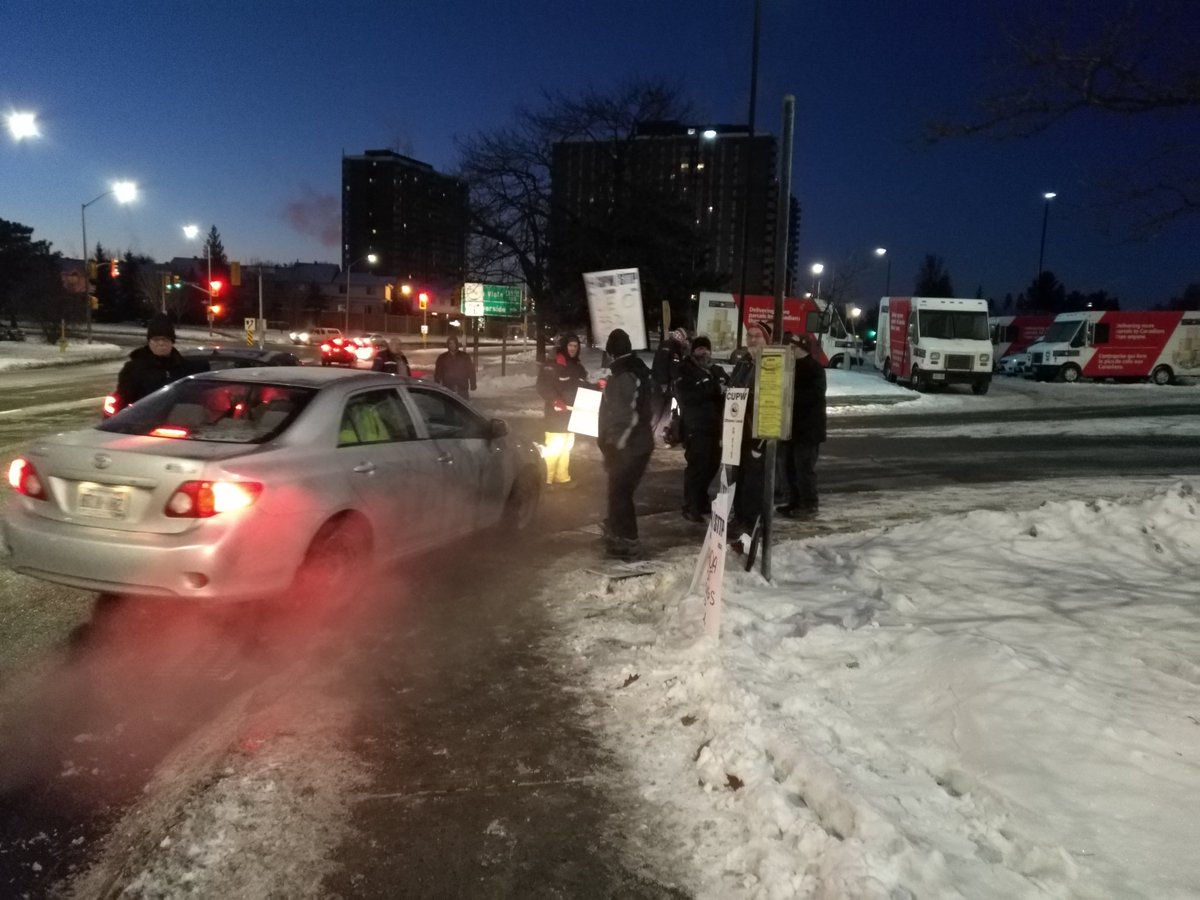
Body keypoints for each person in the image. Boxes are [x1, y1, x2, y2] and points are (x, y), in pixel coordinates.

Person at [597, 328, 654, 560]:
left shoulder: (624, 375)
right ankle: (617, 535)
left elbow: (627, 415)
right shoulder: (633, 371)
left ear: (611, 353)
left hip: (630, 446)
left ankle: (629, 542)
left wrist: (615, 445)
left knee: (621, 493)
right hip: (634, 444)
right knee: (617, 492)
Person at [674, 335, 728, 522]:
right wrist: (715, 389)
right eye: (700, 349)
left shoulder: (716, 370)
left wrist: (719, 389)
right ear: (693, 351)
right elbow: (687, 396)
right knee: (697, 467)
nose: (704, 352)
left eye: (707, 349)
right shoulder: (684, 370)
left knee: (712, 465)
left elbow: (729, 388)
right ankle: (690, 506)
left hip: (716, 427)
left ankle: (701, 499)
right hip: (696, 427)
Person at [113, 313, 209, 412]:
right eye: (156, 339)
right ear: (149, 341)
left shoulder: (187, 369)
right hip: (143, 423)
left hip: (179, 422)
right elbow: (122, 404)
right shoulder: (133, 369)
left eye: (165, 339)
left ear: (172, 341)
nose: (161, 343)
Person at [779, 333, 828, 517]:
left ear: (797, 347)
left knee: (803, 468)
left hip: (808, 430)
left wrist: (789, 396)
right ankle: (795, 501)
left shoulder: (814, 368)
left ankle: (809, 504)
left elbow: (814, 396)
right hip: (791, 427)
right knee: (789, 468)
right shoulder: (790, 366)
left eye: (789, 346)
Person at [729, 321, 770, 538]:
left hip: (757, 432)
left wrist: (762, 437)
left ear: (767, 340)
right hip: (738, 430)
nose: (752, 340)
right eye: (749, 336)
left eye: (757, 336)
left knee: (754, 479)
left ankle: (752, 521)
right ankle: (740, 516)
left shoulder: (771, 364)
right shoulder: (743, 363)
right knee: (739, 476)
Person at [537, 332, 590, 488]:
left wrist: (597, 386)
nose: (573, 349)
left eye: (576, 346)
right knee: (553, 448)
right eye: (570, 345)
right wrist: (555, 400)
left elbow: (583, 386)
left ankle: (562, 477)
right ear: (564, 346)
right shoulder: (552, 365)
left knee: (566, 447)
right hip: (556, 415)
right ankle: (546, 480)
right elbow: (543, 386)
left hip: (572, 415)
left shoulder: (578, 367)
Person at [650, 327, 688, 446]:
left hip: (667, 386)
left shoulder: (674, 348)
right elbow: (662, 366)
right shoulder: (669, 347)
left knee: (665, 411)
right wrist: (663, 383)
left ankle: (657, 436)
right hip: (662, 385)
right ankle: (649, 435)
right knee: (657, 411)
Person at [434, 335, 476, 399]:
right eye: (450, 343)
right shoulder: (442, 358)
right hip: (448, 387)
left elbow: (471, 371)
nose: (452, 345)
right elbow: (438, 372)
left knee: (462, 407)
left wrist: (473, 383)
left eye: (453, 343)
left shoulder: (464, 356)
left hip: (462, 387)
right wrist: (437, 384)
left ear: (456, 344)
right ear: (448, 345)